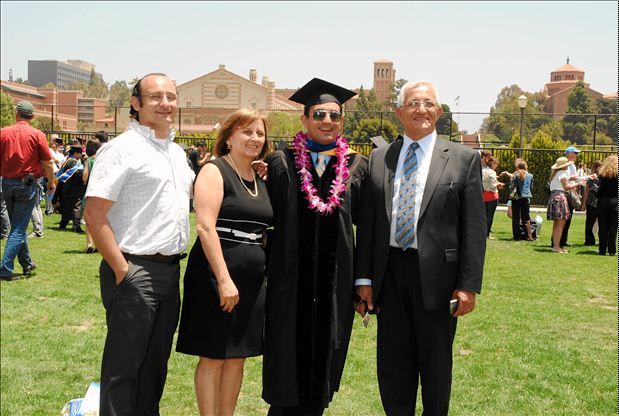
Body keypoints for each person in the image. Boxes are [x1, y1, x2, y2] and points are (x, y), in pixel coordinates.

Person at [355, 80, 486, 415]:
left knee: (436, 368)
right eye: (413, 103)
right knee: (393, 367)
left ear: (438, 112)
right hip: (389, 276)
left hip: (440, 281)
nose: (421, 109)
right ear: (400, 112)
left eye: (428, 103)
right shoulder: (380, 157)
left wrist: (468, 285)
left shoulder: (463, 159)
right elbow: (369, 223)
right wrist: (364, 279)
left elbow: (474, 228)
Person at [84, 73, 194, 415]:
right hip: (134, 270)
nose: (166, 103)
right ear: (136, 103)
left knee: (154, 367)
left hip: (170, 272)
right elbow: (94, 214)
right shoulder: (121, 149)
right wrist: (123, 270)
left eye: (171, 96)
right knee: (124, 369)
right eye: (156, 96)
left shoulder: (176, 152)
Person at [263, 78, 367, 415]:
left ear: (342, 122)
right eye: (319, 114)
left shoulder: (356, 166)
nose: (327, 121)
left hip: (335, 284)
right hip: (289, 283)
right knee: (286, 366)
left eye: (335, 115)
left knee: (326, 359)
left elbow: (368, 226)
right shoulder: (281, 162)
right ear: (304, 119)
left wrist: (363, 281)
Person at [176, 109, 272, 415]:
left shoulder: (260, 177)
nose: (255, 138)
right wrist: (224, 279)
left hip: (252, 282)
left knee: (237, 357)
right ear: (229, 137)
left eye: (260, 133)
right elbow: (205, 227)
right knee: (213, 355)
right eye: (247, 131)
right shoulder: (214, 171)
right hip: (216, 276)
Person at [0, 101, 55, 280]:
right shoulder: (37, 134)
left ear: (17, 113)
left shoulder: (3, 132)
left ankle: (27, 264)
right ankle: (4, 269)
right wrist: (51, 182)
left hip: (7, 183)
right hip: (26, 184)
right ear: (31, 116)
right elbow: (47, 163)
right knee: (18, 228)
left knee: (19, 225)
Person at [547, 157, 579, 254]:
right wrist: (578, 184)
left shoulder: (556, 173)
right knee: (560, 224)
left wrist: (574, 178)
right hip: (560, 198)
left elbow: (565, 180)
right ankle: (556, 247)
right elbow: (566, 187)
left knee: (556, 224)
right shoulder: (563, 173)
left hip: (554, 197)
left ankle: (555, 245)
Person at [53, 145, 86, 233]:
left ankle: (63, 224)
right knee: (76, 206)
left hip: (65, 187)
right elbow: (76, 175)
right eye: (80, 153)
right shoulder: (73, 162)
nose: (81, 155)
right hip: (73, 188)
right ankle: (76, 227)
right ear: (75, 153)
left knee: (66, 206)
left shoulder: (68, 160)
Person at [82, 139, 102, 253]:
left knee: (89, 219)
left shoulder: (89, 161)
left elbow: (85, 177)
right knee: (101, 219)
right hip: (103, 192)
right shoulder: (103, 160)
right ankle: (99, 244)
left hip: (91, 191)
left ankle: (90, 244)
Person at [595, 155, 617, 256]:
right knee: (613, 227)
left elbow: (598, 189)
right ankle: (612, 250)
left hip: (602, 201)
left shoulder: (602, 174)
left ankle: (602, 250)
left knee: (602, 226)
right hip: (615, 201)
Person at [559, 146, 581, 247]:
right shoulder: (568, 165)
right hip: (567, 192)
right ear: (569, 154)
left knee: (568, 217)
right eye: (575, 153)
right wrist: (581, 179)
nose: (576, 155)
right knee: (565, 217)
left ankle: (563, 239)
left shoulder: (572, 165)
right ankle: (561, 240)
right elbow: (569, 178)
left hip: (570, 191)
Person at [509, 159, 534, 241]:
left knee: (516, 218)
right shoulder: (530, 176)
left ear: (517, 167)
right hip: (526, 198)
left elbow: (511, 187)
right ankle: (529, 236)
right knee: (526, 218)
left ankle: (517, 236)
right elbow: (531, 187)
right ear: (526, 167)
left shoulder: (515, 175)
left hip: (516, 198)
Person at [482, 156, 504, 239]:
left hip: (483, 195)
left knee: (484, 215)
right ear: (493, 163)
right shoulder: (492, 172)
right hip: (492, 196)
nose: (496, 166)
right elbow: (492, 186)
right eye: (496, 164)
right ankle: (487, 234)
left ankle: (482, 232)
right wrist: (498, 184)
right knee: (490, 216)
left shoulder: (482, 170)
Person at [582, 160, 601, 246]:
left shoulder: (604, 177)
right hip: (592, 203)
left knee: (600, 223)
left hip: (598, 203)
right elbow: (586, 191)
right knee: (590, 223)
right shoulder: (592, 178)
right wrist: (584, 203)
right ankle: (589, 240)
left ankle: (600, 240)